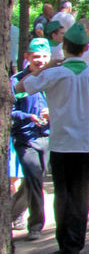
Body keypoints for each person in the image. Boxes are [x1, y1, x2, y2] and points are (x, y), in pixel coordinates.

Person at [13, 23, 89, 254]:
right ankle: (75, 244)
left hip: (60, 143)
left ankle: (65, 244)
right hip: (84, 144)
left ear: (63, 48)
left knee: (62, 195)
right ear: (86, 48)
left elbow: (20, 87)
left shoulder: (53, 73)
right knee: (81, 195)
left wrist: (44, 67)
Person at [10, 38, 51, 240]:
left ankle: (12, 213)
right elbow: (10, 110)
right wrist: (29, 116)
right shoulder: (17, 81)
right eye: (36, 56)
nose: (40, 60)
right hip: (25, 137)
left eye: (44, 56)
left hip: (48, 136)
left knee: (35, 179)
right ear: (27, 57)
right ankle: (36, 224)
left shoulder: (54, 79)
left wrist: (52, 113)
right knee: (34, 176)